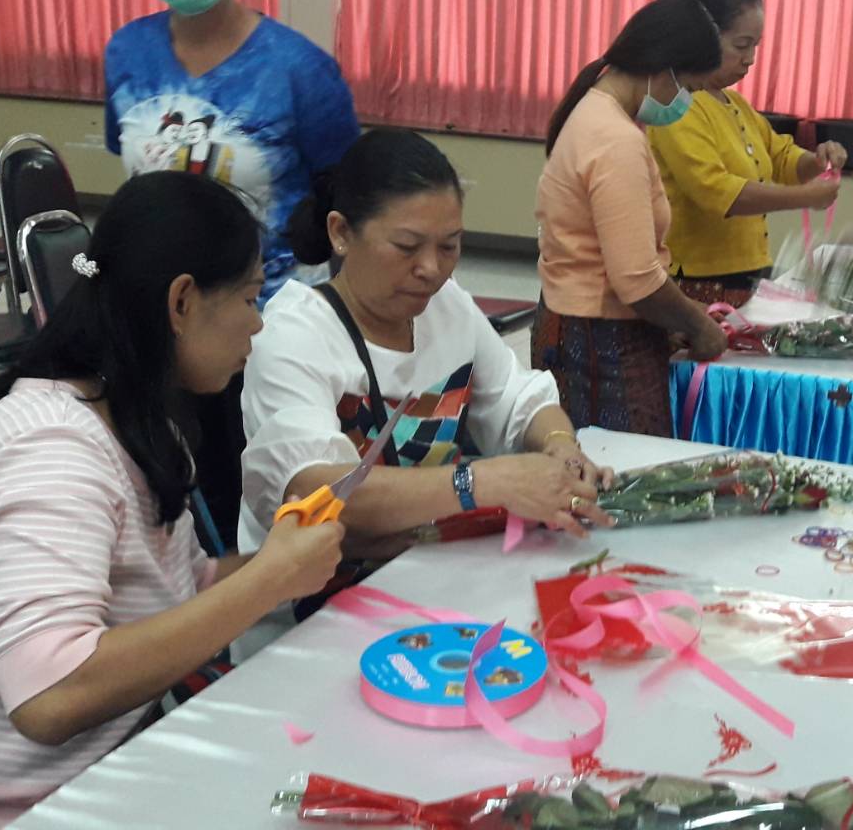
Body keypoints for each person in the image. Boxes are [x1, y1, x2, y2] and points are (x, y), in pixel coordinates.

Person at [0, 174, 343, 828]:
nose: (259, 323)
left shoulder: (137, 412)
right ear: (182, 301)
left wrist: (283, 559)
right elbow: (49, 696)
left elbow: (178, 590)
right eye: (252, 298)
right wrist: (273, 577)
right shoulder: (49, 451)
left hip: (109, 762)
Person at [237, 128, 614, 658]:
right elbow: (323, 493)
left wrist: (561, 449)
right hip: (313, 618)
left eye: (450, 246)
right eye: (408, 247)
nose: (432, 269)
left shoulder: (445, 306)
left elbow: (513, 397)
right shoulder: (293, 335)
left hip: (428, 578)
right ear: (342, 233)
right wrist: (483, 481)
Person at [103, 0, 362, 557]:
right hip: (149, 325)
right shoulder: (126, 53)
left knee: (242, 496)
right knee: (149, 498)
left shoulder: (298, 69)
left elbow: (340, 197)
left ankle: (240, 630)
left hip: (257, 327)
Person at [532, 0, 730, 437]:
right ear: (664, 69)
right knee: (617, 473)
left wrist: (679, 315)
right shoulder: (614, 139)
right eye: (690, 89)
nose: (687, 103)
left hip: (585, 325)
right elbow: (637, 280)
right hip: (601, 341)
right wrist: (698, 325)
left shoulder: (597, 113)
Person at [648, 0, 848, 307]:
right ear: (704, 39)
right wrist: (803, 197)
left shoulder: (734, 105)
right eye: (741, 45)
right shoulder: (679, 106)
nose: (751, 58)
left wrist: (817, 160)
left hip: (746, 274)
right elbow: (714, 190)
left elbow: (781, 157)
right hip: (697, 282)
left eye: (756, 45)